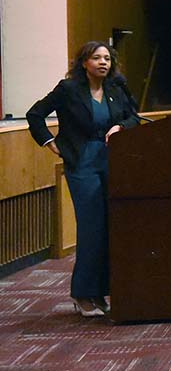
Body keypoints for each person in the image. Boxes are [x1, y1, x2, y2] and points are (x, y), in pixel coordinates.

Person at [26, 41, 141, 317]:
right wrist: (48, 142)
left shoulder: (117, 87)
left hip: (113, 160)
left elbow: (134, 116)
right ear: (84, 63)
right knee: (92, 227)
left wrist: (119, 126)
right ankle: (82, 293)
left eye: (107, 59)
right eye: (97, 58)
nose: (104, 63)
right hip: (82, 163)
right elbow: (35, 114)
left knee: (112, 225)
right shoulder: (68, 89)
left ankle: (102, 291)